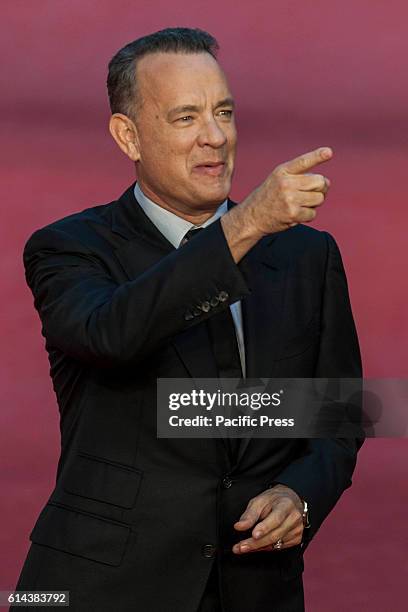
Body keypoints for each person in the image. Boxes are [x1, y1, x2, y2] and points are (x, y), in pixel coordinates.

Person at [13, 27, 364, 612]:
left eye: (223, 111)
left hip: (255, 588)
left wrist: (299, 495)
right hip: (98, 588)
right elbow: (112, 335)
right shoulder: (68, 248)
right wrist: (244, 225)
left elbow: (340, 410)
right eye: (185, 117)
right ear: (128, 135)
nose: (215, 136)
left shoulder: (308, 255)